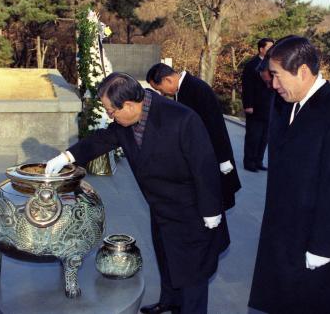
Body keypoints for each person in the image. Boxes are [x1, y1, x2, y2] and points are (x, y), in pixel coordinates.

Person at [45, 72, 230, 314]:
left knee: (192, 272)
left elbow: (204, 165)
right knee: (167, 258)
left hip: (191, 209)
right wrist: (66, 157)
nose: (110, 116)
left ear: (130, 105)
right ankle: (170, 302)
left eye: (111, 111)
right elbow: (102, 139)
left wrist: (211, 210)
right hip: (160, 205)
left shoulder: (182, 119)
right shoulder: (126, 120)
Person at [248, 36, 330, 314]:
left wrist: (322, 248)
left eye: (277, 76)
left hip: (311, 245)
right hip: (279, 238)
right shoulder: (286, 104)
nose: (273, 84)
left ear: (301, 71)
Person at [146, 63, 241, 210]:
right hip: (201, 154)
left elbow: (215, 125)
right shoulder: (184, 88)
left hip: (212, 155)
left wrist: (224, 159)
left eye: (159, 89)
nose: (162, 94)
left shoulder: (197, 89)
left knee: (215, 203)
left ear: (168, 80)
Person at [241, 37, 274, 172]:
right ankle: (249, 162)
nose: (272, 50)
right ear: (261, 49)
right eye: (269, 47)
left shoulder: (272, 64)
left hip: (268, 106)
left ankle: (258, 161)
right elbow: (247, 86)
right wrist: (248, 105)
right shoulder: (251, 65)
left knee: (264, 137)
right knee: (253, 136)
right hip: (254, 106)